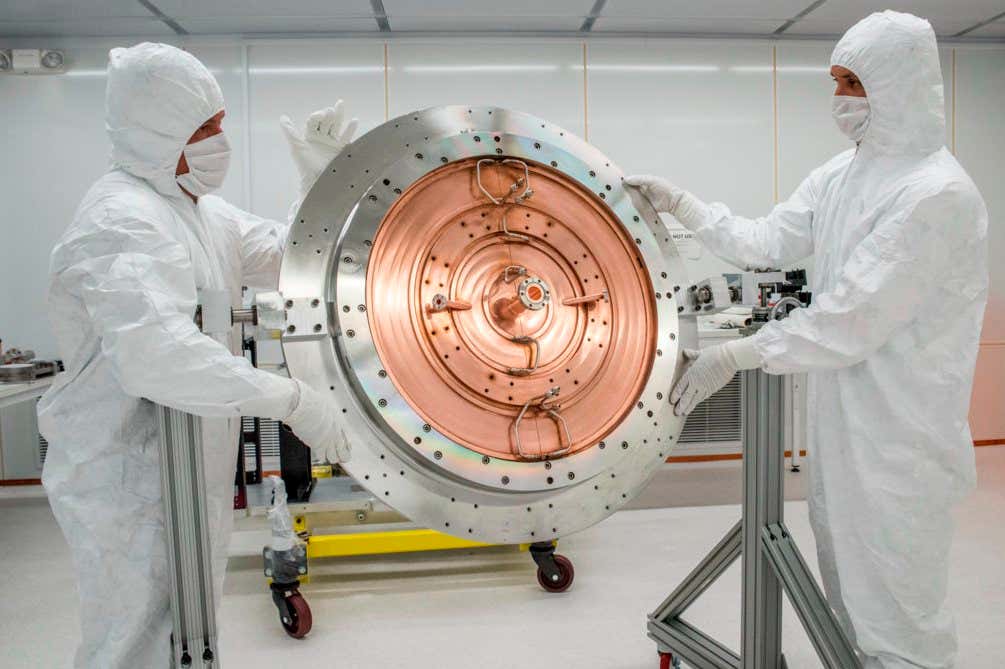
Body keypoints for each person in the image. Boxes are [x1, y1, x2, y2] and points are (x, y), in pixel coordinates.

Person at [625, 11, 987, 669]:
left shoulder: (935, 194)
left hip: (898, 439)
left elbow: (849, 320)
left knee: (899, 610)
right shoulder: (843, 175)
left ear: (898, 86)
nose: (838, 100)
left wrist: (740, 352)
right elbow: (765, 241)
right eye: (836, 82)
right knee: (848, 592)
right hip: (843, 424)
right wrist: (682, 203)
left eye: (852, 83)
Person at [37, 42, 356, 668]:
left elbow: (288, 259)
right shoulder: (120, 220)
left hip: (194, 471)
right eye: (203, 128)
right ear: (155, 131)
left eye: (219, 124)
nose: (219, 140)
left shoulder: (200, 213)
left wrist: (320, 184)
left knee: (191, 634)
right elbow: (158, 356)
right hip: (131, 480)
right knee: (133, 644)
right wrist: (290, 399)